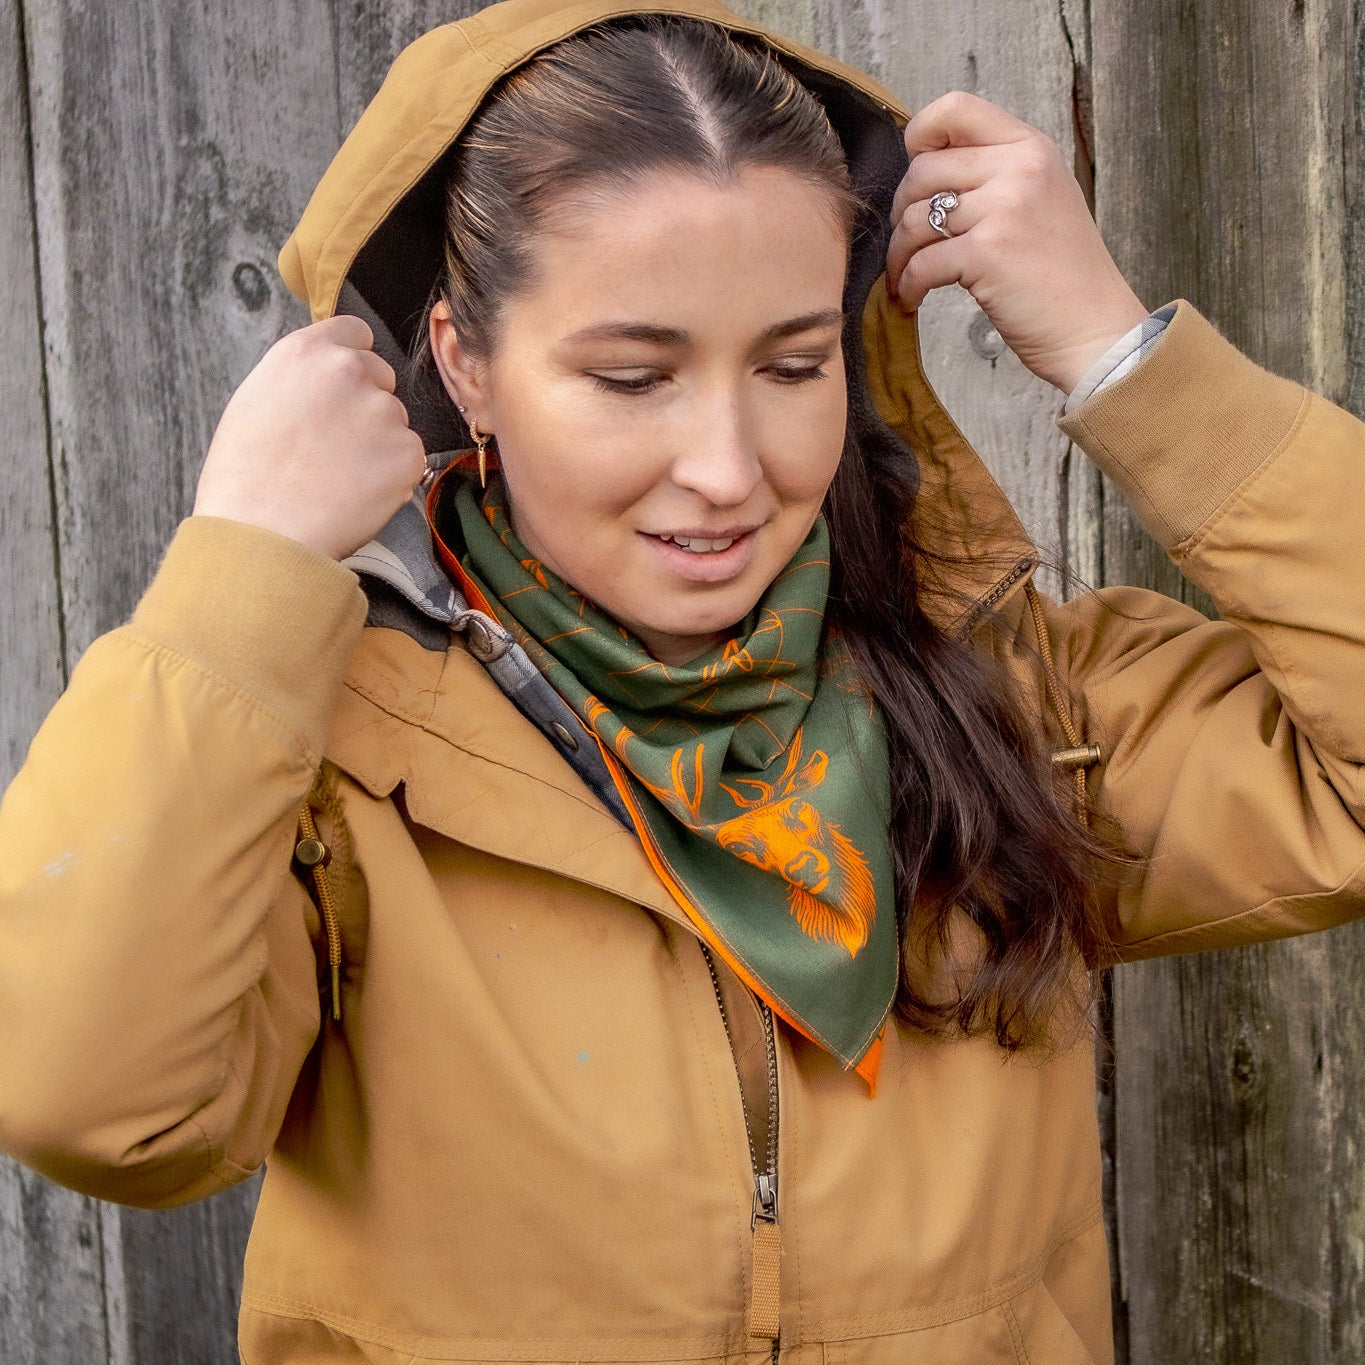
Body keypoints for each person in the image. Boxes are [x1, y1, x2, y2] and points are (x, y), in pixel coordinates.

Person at [0, 0, 1361, 1360]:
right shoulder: (327, 766)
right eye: (632, 376)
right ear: (465, 365)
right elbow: (92, 1099)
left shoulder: (1010, 702)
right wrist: (244, 568)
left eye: (791, 364)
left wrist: (1126, 358)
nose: (726, 467)